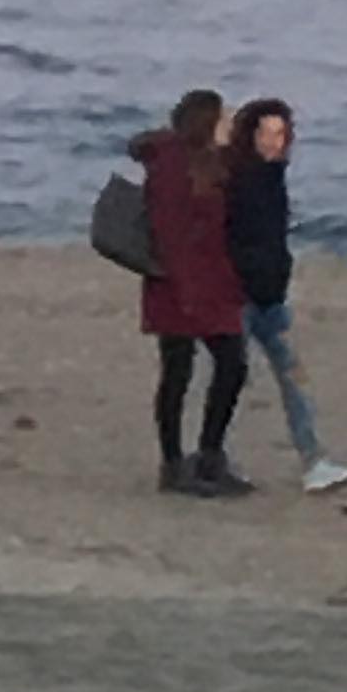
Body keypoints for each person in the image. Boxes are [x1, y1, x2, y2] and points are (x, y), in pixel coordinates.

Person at [226, 96, 347, 495]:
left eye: (280, 134)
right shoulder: (237, 180)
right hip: (238, 297)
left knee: (293, 378)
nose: (274, 142)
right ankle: (218, 459)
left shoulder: (273, 178)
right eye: (266, 134)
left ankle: (314, 460)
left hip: (270, 298)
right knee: (229, 383)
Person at [130, 88, 252, 497]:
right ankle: (174, 463)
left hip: (214, 280)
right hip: (178, 282)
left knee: (231, 365)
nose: (230, 125)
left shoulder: (213, 162)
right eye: (223, 118)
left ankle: (209, 454)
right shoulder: (171, 164)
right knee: (179, 370)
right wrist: (185, 286)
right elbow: (171, 232)